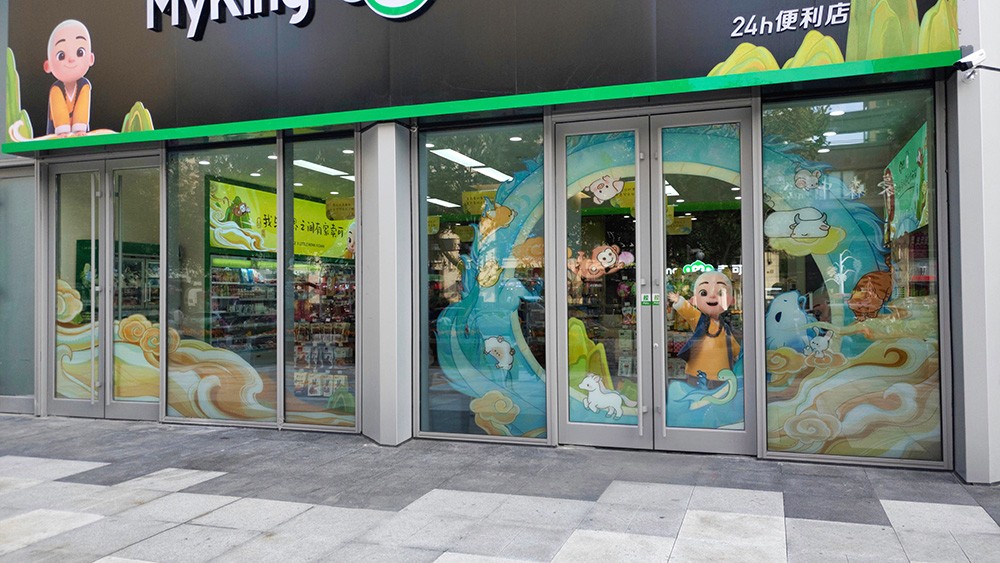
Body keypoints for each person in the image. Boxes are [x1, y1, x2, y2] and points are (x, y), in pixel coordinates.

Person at [667, 271, 740, 389]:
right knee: (698, 395)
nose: (712, 296)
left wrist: (741, 355)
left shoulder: (724, 327)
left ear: (731, 300)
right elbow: (689, 311)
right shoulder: (700, 319)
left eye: (720, 293)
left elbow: (733, 346)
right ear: (694, 300)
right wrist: (679, 301)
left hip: (721, 373)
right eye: (704, 293)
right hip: (699, 372)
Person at [43, 20, 95, 136]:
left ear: (91, 59)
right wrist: (62, 131)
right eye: (61, 56)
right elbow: (59, 112)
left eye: (80, 52)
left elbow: (82, 109)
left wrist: (80, 129)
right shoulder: (56, 89)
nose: (71, 59)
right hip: (57, 137)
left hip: (81, 138)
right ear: (48, 66)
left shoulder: (84, 85)